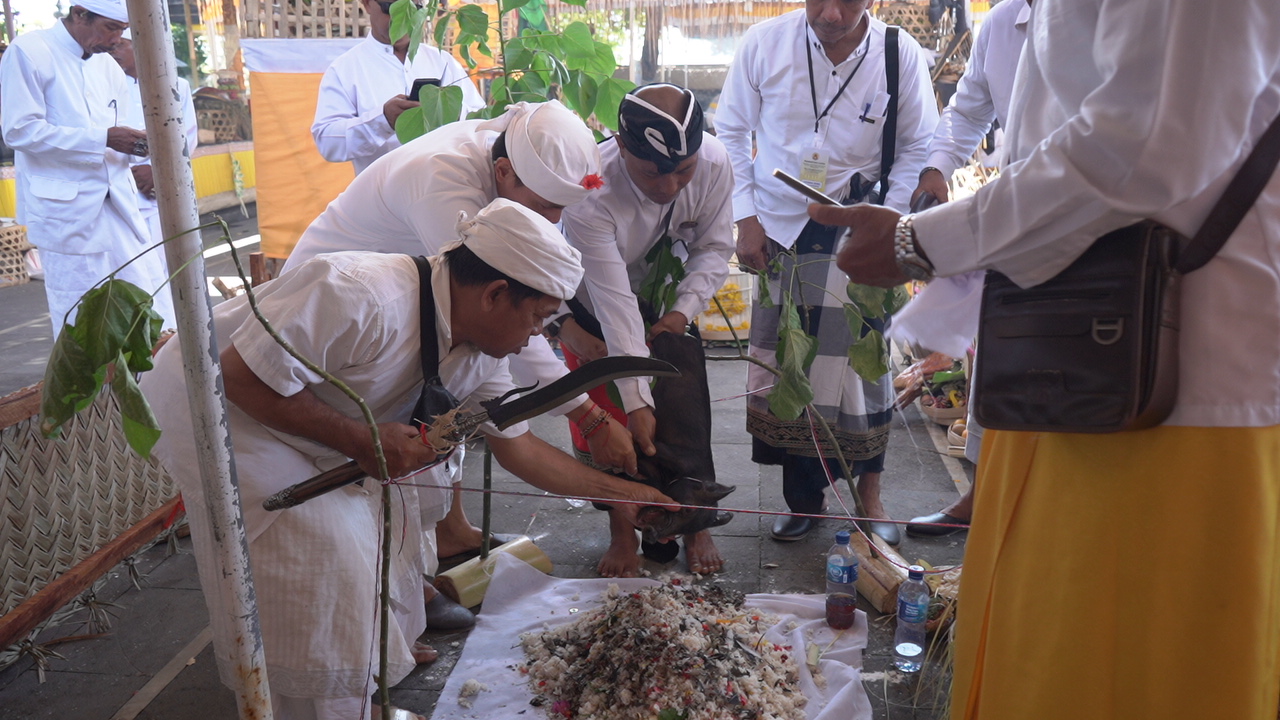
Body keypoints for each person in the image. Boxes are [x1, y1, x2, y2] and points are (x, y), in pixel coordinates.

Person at [823, 1, 1280, 717]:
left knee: (1119, 670)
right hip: (1071, 363)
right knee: (1040, 653)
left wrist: (925, 242)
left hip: (1172, 391)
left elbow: (1150, 141)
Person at [140, 199, 676, 720]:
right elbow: (237, 376)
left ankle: (358, 684)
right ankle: (311, 706)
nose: (538, 335)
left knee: (387, 535)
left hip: (298, 415)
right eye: (537, 318)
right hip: (216, 405)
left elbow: (520, 449)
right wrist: (360, 441)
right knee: (325, 550)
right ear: (494, 294)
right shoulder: (359, 292)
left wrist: (627, 496)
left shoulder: (480, 357)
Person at [285, 100, 638, 563]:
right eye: (546, 206)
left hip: (406, 309)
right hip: (339, 308)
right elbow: (513, 331)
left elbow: (517, 323)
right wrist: (588, 415)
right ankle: (385, 554)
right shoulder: (442, 182)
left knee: (436, 420)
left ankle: (439, 537)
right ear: (505, 171)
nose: (553, 221)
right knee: (357, 449)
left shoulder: (506, 163)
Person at [716, 0, 938, 544]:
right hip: (779, 227)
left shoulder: (897, 53)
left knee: (865, 366)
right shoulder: (764, 44)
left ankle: (870, 498)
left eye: (847, 1)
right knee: (791, 366)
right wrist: (745, 218)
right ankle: (805, 502)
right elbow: (729, 133)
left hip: (860, 228)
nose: (832, 14)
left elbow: (917, 145)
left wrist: (890, 223)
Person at [558, 83, 735, 577]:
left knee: (685, 409)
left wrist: (682, 312)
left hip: (669, 298)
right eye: (652, 172)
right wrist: (636, 400)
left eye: (684, 170)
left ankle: (694, 520)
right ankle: (622, 531)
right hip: (596, 298)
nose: (669, 187)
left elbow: (716, 246)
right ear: (620, 144)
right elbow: (614, 302)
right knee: (609, 414)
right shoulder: (591, 189)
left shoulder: (716, 161)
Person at [899, 0, 1030, 538]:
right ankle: (980, 492)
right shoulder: (1003, 21)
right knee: (995, 353)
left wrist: (917, 239)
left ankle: (1030, 499)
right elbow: (967, 109)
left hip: (1069, 214)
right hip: (1015, 211)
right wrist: (936, 169)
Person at [0, 0, 163, 336]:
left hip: (118, 206)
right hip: (66, 211)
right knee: (80, 316)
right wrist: (101, 139)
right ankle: (94, 390)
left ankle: (144, 386)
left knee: (143, 304)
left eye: (122, 30)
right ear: (79, 14)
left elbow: (120, 132)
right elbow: (19, 130)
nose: (118, 39)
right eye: (111, 28)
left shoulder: (109, 67)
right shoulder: (29, 51)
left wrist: (139, 146)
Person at [312, 0, 484, 175]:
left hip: (446, 190)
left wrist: (450, 112)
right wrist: (382, 121)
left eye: (414, 8)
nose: (404, 16)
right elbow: (328, 142)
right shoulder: (345, 68)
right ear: (367, 4)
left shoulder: (442, 61)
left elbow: (482, 125)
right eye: (391, 7)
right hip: (382, 197)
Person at [108, 27, 200, 330]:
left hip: (157, 196)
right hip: (116, 195)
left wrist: (155, 171)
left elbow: (185, 138)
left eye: (120, 44)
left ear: (143, 46)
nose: (112, 50)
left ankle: (172, 343)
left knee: (169, 272)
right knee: (130, 278)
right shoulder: (102, 82)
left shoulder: (176, 86)